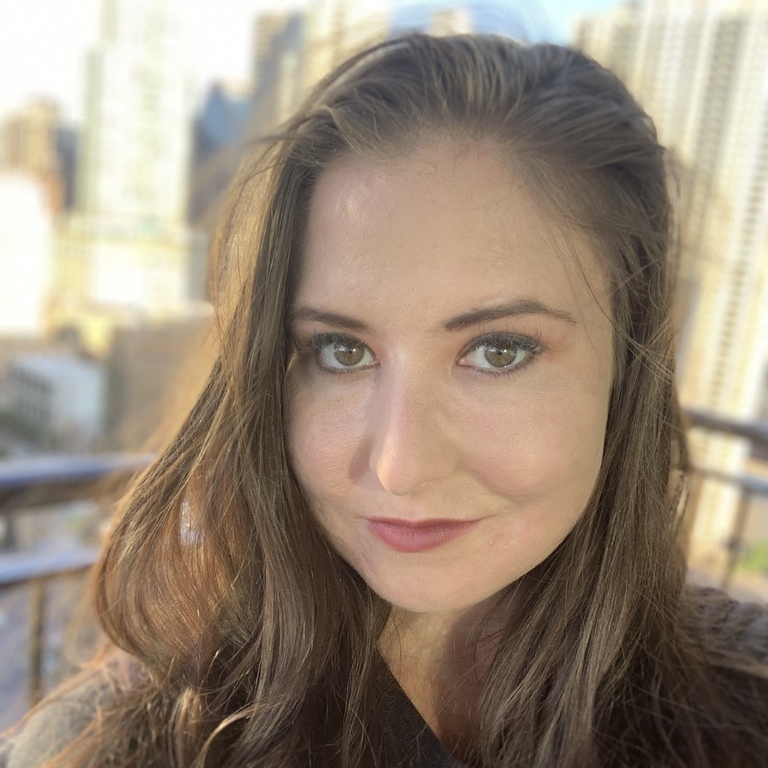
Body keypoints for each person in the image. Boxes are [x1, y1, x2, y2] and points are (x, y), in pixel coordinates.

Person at [3, 32, 768, 768]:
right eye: (342, 351)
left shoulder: (746, 709)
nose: (399, 466)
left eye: (498, 350)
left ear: (628, 368)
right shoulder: (128, 746)